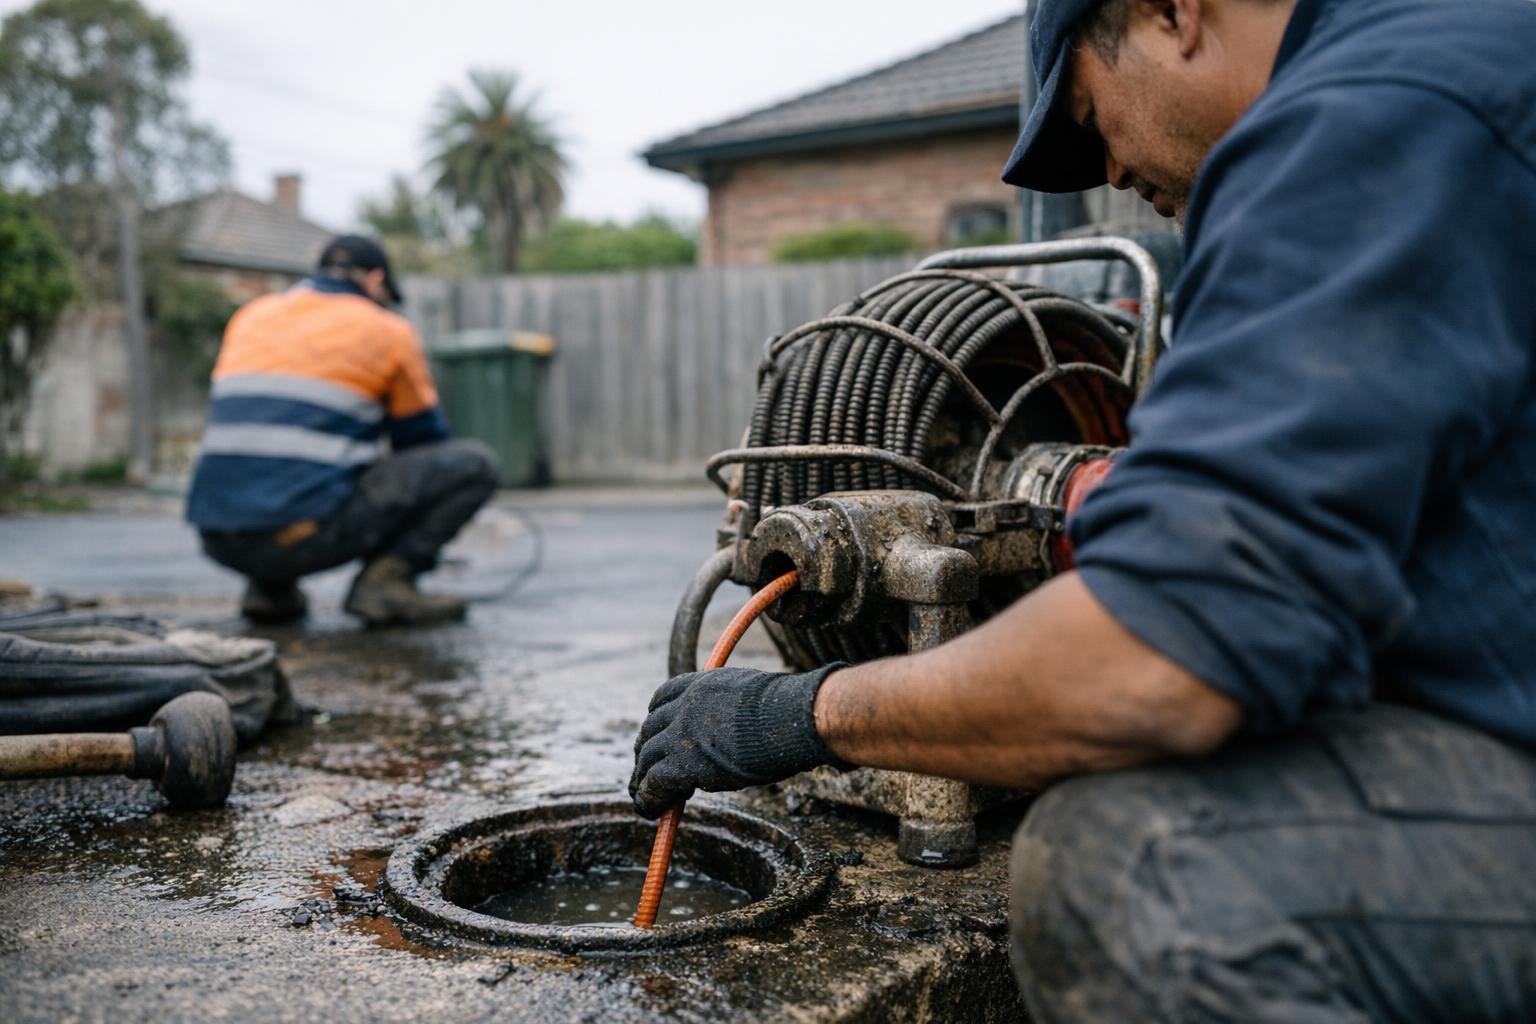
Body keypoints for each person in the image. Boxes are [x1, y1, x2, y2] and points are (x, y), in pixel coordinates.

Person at [629, 0, 1536, 1018]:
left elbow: (1155, 664)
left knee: (1132, 865)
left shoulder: (1373, 117)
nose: (1105, 172)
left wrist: (801, 711)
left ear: (1167, 10)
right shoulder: (1466, 49)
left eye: (1086, 114)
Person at [186, 235, 499, 627]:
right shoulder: (386, 329)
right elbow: (423, 442)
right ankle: (386, 584)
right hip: (300, 539)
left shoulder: (252, 315)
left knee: (283, 472)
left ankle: (270, 589)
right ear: (375, 280)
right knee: (473, 465)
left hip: (217, 534)